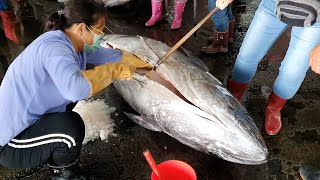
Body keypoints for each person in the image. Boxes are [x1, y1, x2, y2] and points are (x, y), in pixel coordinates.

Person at [0, 0, 151, 179]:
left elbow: (101, 55)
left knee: (71, 103)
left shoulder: (68, 40)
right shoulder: (54, 49)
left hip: (28, 119)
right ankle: (65, 175)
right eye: (100, 29)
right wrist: (114, 70)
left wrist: (131, 60)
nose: (102, 35)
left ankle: (56, 150)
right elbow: (75, 89)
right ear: (81, 28)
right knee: (71, 127)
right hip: (11, 144)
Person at [222, 0, 320, 135]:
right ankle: (233, 98)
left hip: (317, 17)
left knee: (292, 73)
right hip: (274, 3)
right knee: (247, 55)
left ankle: (274, 108)